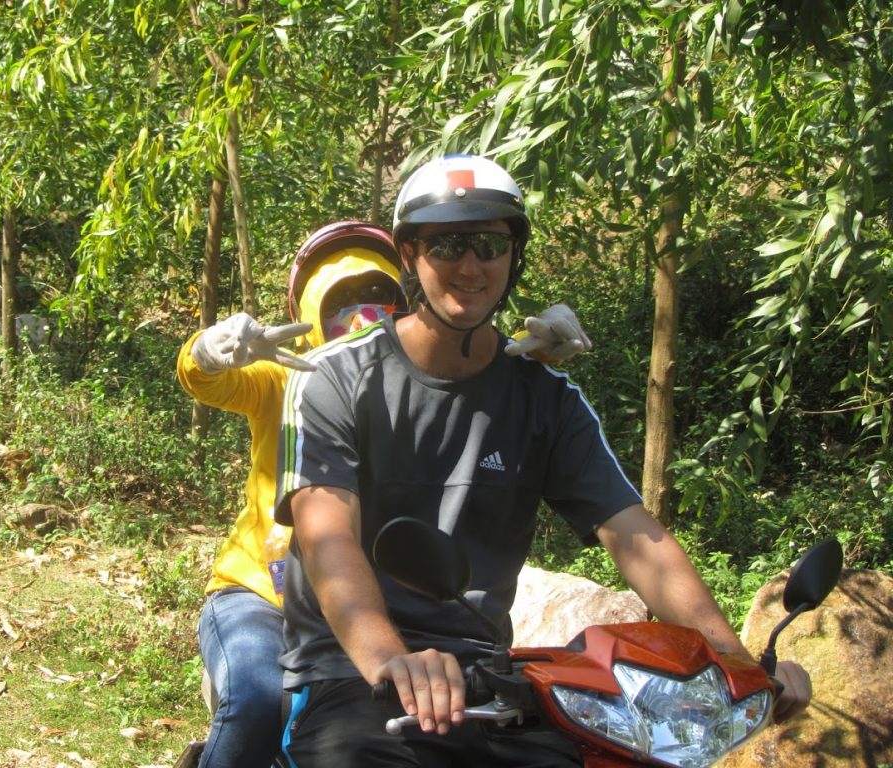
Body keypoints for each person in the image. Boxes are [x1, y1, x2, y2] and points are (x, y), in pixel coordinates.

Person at [273, 155, 813, 767]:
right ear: (409, 256)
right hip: (351, 673)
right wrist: (391, 659)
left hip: (489, 677)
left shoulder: (546, 398)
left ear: (514, 255)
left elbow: (636, 537)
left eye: (489, 244)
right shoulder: (336, 378)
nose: (470, 266)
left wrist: (734, 657)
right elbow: (327, 537)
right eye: (447, 243)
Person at [177, 218, 593, 767]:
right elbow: (207, 381)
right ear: (308, 310)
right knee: (255, 698)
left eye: (377, 294)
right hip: (261, 593)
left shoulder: (395, 379)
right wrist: (209, 350)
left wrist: (533, 359)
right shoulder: (286, 377)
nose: (360, 313)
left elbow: (471, 392)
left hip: (362, 603)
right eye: (342, 299)